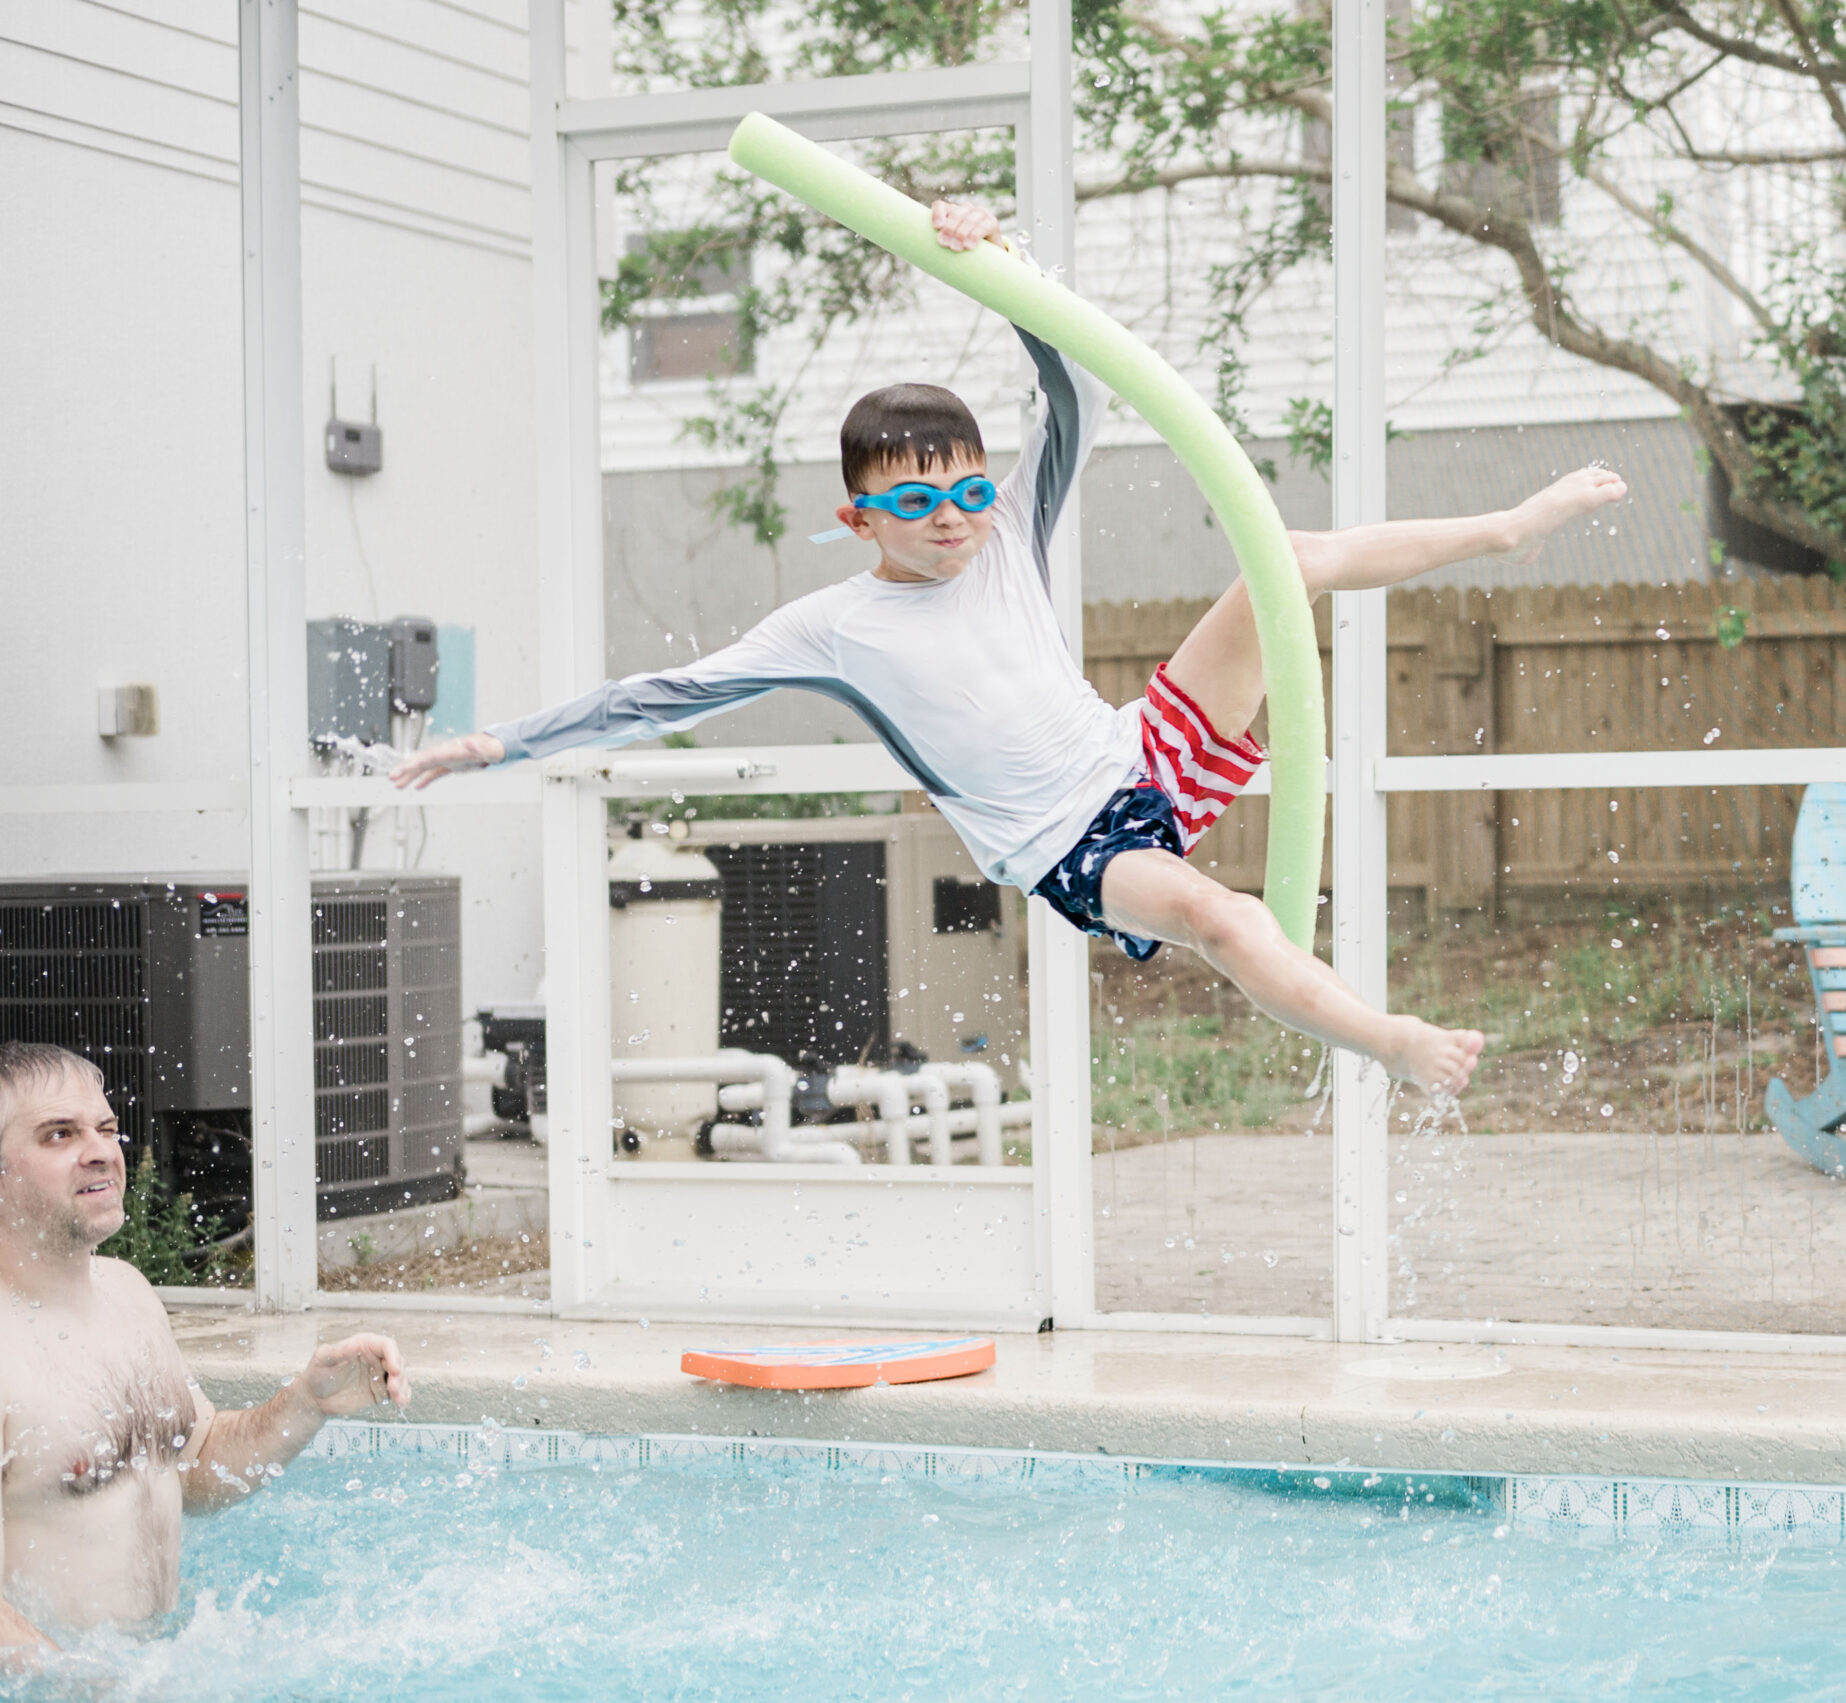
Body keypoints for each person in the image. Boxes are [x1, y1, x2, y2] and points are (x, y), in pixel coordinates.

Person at [393, 199, 1629, 1094]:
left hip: (1139, 753)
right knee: (1226, 916)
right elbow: (660, 693)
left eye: (968, 494)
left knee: (1285, 560)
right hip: (1072, 843)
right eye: (917, 506)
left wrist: (997, 263)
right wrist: (502, 739)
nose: (952, 523)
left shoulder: (1012, 534)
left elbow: (1073, 390)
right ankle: (1390, 1041)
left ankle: (1507, 529)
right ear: (858, 516)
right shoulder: (833, 627)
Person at [0, 1041, 410, 1649]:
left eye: (106, 1128)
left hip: (148, 1671)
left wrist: (306, 1402)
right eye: (59, 1135)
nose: (99, 1153)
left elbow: (193, 1462)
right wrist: (74, 1684)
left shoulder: (128, 1295)